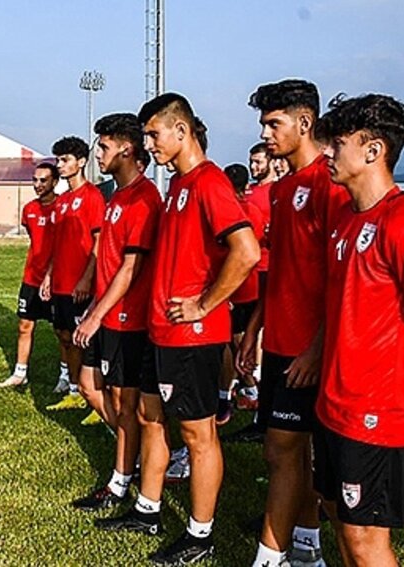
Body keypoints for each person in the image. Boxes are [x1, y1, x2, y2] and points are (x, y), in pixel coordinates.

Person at [97, 93, 260, 566]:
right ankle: (147, 508)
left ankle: (200, 534)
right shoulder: (179, 188)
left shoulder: (210, 183)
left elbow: (246, 252)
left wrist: (204, 304)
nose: (149, 144)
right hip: (159, 333)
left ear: (181, 132)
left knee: (198, 436)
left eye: (153, 134)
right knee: (151, 419)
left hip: (193, 338)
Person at [314, 93, 404, 566]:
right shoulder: (346, 219)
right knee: (339, 517)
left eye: (337, 143)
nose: (327, 153)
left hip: (377, 414)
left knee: (366, 540)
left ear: (373, 150)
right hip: (334, 403)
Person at [237, 79, 347, 567]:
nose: (266, 132)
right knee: (288, 452)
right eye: (264, 123)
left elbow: (342, 280)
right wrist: (256, 329)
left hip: (309, 348)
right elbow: (278, 265)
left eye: (273, 122)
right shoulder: (282, 190)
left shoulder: (330, 185)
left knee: (285, 449)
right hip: (279, 341)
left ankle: (269, 556)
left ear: (305, 123)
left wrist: (315, 349)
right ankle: (305, 544)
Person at [70, 113, 161, 511]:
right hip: (107, 312)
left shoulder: (144, 198)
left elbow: (131, 268)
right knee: (89, 386)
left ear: (126, 149)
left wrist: (96, 314)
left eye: (104, 146)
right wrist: (94, 303)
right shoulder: (117, 197)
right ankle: (136, 455)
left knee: (127, 406)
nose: (98, 153)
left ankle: (120, 481)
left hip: (128, 318)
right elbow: (108, 259)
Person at [39, 136, 104, 413]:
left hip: (80, 284)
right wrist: (49, 276)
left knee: (81, 339)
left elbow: (99, 240)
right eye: (58, 160)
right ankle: (71, 384)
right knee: (62, 334)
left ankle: (87, 393)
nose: (60, 165)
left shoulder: (92, 196)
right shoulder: (63, 201)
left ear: (81, 162)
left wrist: (87, 278)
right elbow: (57, 245)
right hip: (60, 283)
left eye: (65, 160)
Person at [0, 163, 60, 388]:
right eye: (34, 180)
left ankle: (66, 378)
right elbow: (35, 238)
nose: (38, 185)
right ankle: (20, 373)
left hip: (57, 279)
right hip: (32, 277)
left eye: (43, 180)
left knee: (61, 331)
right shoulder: (29, 210)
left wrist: (51, 274)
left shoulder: (63, 207)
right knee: (25, 324)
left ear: (55, 182)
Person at [216, 164, 265, 427]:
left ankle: (242, 390)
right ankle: (243, 389)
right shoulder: (253, 211)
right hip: (245, 286)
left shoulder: (238, 212)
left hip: (238, 288)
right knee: (237, 342)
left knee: (234, 343)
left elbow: (242, 250)